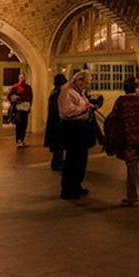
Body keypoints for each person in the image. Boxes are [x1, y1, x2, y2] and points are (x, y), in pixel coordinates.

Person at [110, 77, 139, 207]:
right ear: (136, 87)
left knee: (132, 168)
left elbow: (114, 118)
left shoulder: (120, 102)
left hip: (129, 138)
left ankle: (134, 198)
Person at [58, 70, 96, 199]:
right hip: (72, 128)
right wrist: (84, 108)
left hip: (81, 128)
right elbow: (67, 111)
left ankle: (77, 185)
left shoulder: (80, 92)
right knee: (72, 159)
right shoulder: (67, 92)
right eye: (85, 83)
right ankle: (68, 189)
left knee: (81, 159)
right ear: (78, 80)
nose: (87, 85)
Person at [44, 74, 68, 171]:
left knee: (58, 144)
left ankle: (57, 162)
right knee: (59, 144)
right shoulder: (58, 93)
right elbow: (57, 109)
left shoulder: (54, 93)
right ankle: (56, 163)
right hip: (57, 123)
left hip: (54, 122)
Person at [7, 72, 33, 148]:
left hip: (26, 107)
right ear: (19, 78)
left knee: (25, 124)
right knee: (19, 124)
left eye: (23, 78)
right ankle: (18, 140)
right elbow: (9, 96)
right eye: (21, 78)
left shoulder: (28, 87)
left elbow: (31, 97)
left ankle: (23, 139)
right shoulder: (15, 87)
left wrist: (30, 106)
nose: (22, 79)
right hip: (19, 108)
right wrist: (15, 99)